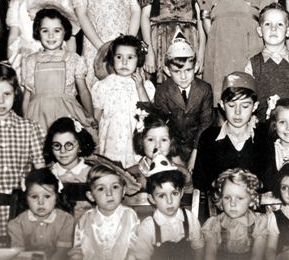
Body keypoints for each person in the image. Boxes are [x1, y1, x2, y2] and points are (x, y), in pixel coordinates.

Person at [0, 63, 45, 243]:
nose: (1, 101)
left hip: (22, 207)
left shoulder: (29, 128)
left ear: (15, 93)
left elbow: (40, 169)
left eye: (6, 94)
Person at [193, 72, 270, 191]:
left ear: (255, 107)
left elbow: (269, 183)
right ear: (222, 105)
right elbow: (200, 184)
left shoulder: (263, 136)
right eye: (232, 105)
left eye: (245, 106)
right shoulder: (209, 138)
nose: (238, 112)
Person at [22, 7, 94, 132]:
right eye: (45, 30)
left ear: (64, 32)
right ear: (38, 32)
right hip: (38, 115)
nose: (51, 35)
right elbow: (27, 96)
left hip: (67, 113)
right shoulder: (31, 61)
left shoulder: (73, 59)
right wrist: (23, 120)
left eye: (57, 30)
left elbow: (83, 91)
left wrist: (90, 115)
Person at [91, 35, 155, 167]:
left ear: (139, 60)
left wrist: (140, 87)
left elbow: (149, 113)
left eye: (130, 57)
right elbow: (96, 116)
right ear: (112, 59)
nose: (124, 62)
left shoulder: (145, 85)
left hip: (134, 138)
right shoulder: (104, 85)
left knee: (135, 173)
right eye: (119, 57)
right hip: (111, 138)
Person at [153, 32, 214, 169]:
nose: (183, 76)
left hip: (199, 144)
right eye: (177, 71)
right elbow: (163, 126)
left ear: (196, 67)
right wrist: (174, 155)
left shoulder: (204, 89)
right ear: (167, 71)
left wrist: (195, 154)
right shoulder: (163, 91)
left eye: (188, 70)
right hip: (172, 146)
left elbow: (205, 125)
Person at [245, 3, 289, 122]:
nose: (273, 28)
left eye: (280, 24)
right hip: (264, 129)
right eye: (268, 24)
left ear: (288, 31)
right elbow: (248, 101)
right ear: (259, 30)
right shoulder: (253, 64)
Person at [133, 153, 203, 260]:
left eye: (174, 194)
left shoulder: (189, 219)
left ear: (181, 193)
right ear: (152, 199)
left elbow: (198, 248)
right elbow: (142, 256)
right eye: (161, 196)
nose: (169, 201)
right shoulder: (148, 226)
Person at [70, 162, 140, 260]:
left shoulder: (129, 216)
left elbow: (134, 249)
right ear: (91, 196)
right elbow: (78, 250)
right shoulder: (85, 219)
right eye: (101, 189)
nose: (109, 193)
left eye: (115, 187)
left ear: (123, 191)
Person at [202, 168, 269, 260]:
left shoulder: (258, 223)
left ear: (252, 200)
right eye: (227, 198)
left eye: (240, 198)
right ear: (220, 199)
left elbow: (257, 256)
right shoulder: (214, 224)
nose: (232, 203)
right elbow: (210, 255)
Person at [7, 168, 74, 259]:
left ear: (56, 197)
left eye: (47, 196)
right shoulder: (16, 224)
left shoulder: (66, 220)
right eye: (34, 197)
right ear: (26, 198)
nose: (40, 202)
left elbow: (62, 252)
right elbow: (18, 254)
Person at [128, 110, 191, 196]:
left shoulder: (182, 173)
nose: (157, 145)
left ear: (171, 142)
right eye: (151, 139)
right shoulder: (131, 175)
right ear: (141, 141)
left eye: (164, 140)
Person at [44, 117, 95, 184]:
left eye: (68, 145)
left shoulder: (92, 174)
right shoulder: (47, 174)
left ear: (80, 147)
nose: (62, 151)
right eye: (57, 145)